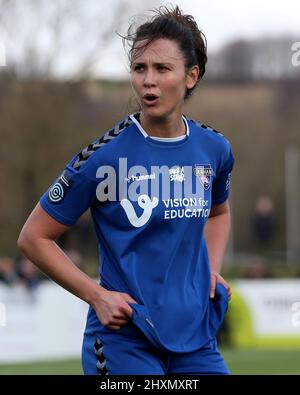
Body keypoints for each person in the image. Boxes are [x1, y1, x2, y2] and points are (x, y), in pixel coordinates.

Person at [18, 5, 234, 375]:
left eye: (162, 68)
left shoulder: (214, 150)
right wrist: (96, 295)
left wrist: (211, 270)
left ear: (191, 76)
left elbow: (219, 211)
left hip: (195, 338)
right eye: (139, 68)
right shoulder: (104, 158)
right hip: (123, 342)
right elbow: (33, 237)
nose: (148, 81)